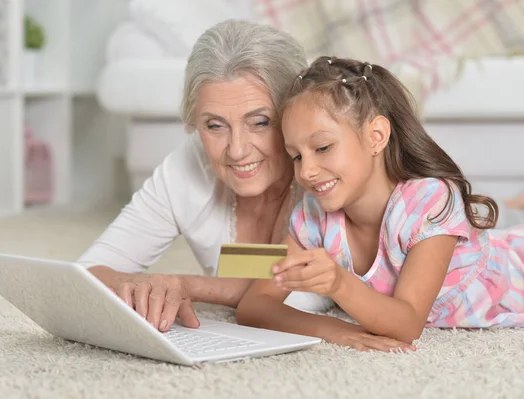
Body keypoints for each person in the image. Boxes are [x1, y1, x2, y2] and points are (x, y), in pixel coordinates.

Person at [78, 20, 411, 352]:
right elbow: (84, 274)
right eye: (214, 125)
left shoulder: (328, 177)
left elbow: (296, 292)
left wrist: (185, 285)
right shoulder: (188, 167)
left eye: (260, 122)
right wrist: (137, 285)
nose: (237, 150)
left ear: (295, 115)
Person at [236, 55, 524, 347]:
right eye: (296, 156)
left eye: (322, 147)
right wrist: (334, 330)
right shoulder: (313, 214)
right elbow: (255, 305)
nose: (306, 171)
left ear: (376, 136)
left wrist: (338, 283)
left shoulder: (429, 201)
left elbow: (407, 324)